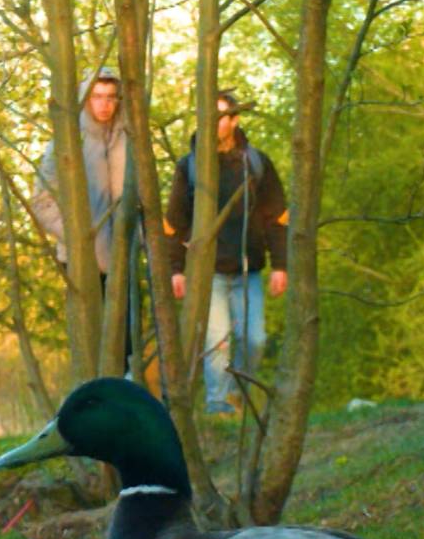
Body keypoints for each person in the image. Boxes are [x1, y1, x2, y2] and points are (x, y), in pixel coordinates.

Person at [164, 92, 289, 414]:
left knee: (255, 340)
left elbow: (277, 216)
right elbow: (174, 223)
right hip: (209, 274)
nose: (215, 122)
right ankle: (218, 405)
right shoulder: (189, 167)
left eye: (222, 116)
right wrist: (176, 270)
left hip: (249, 271)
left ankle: (237, 394)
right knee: (217, 343)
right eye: (210, 115)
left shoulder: (256, 164)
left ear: (235, 120)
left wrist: (281, 264)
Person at [28, 68, 138, 366]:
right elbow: (41, 202)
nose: (105, 104)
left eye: (111, 97)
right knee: (91, 349)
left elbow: (140, 197)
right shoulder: (67, 141)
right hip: (81, 261)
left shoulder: (130, 139)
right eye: (97, 96)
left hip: (123, 258)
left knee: (126, 349)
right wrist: (77, 237)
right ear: (86, 98)